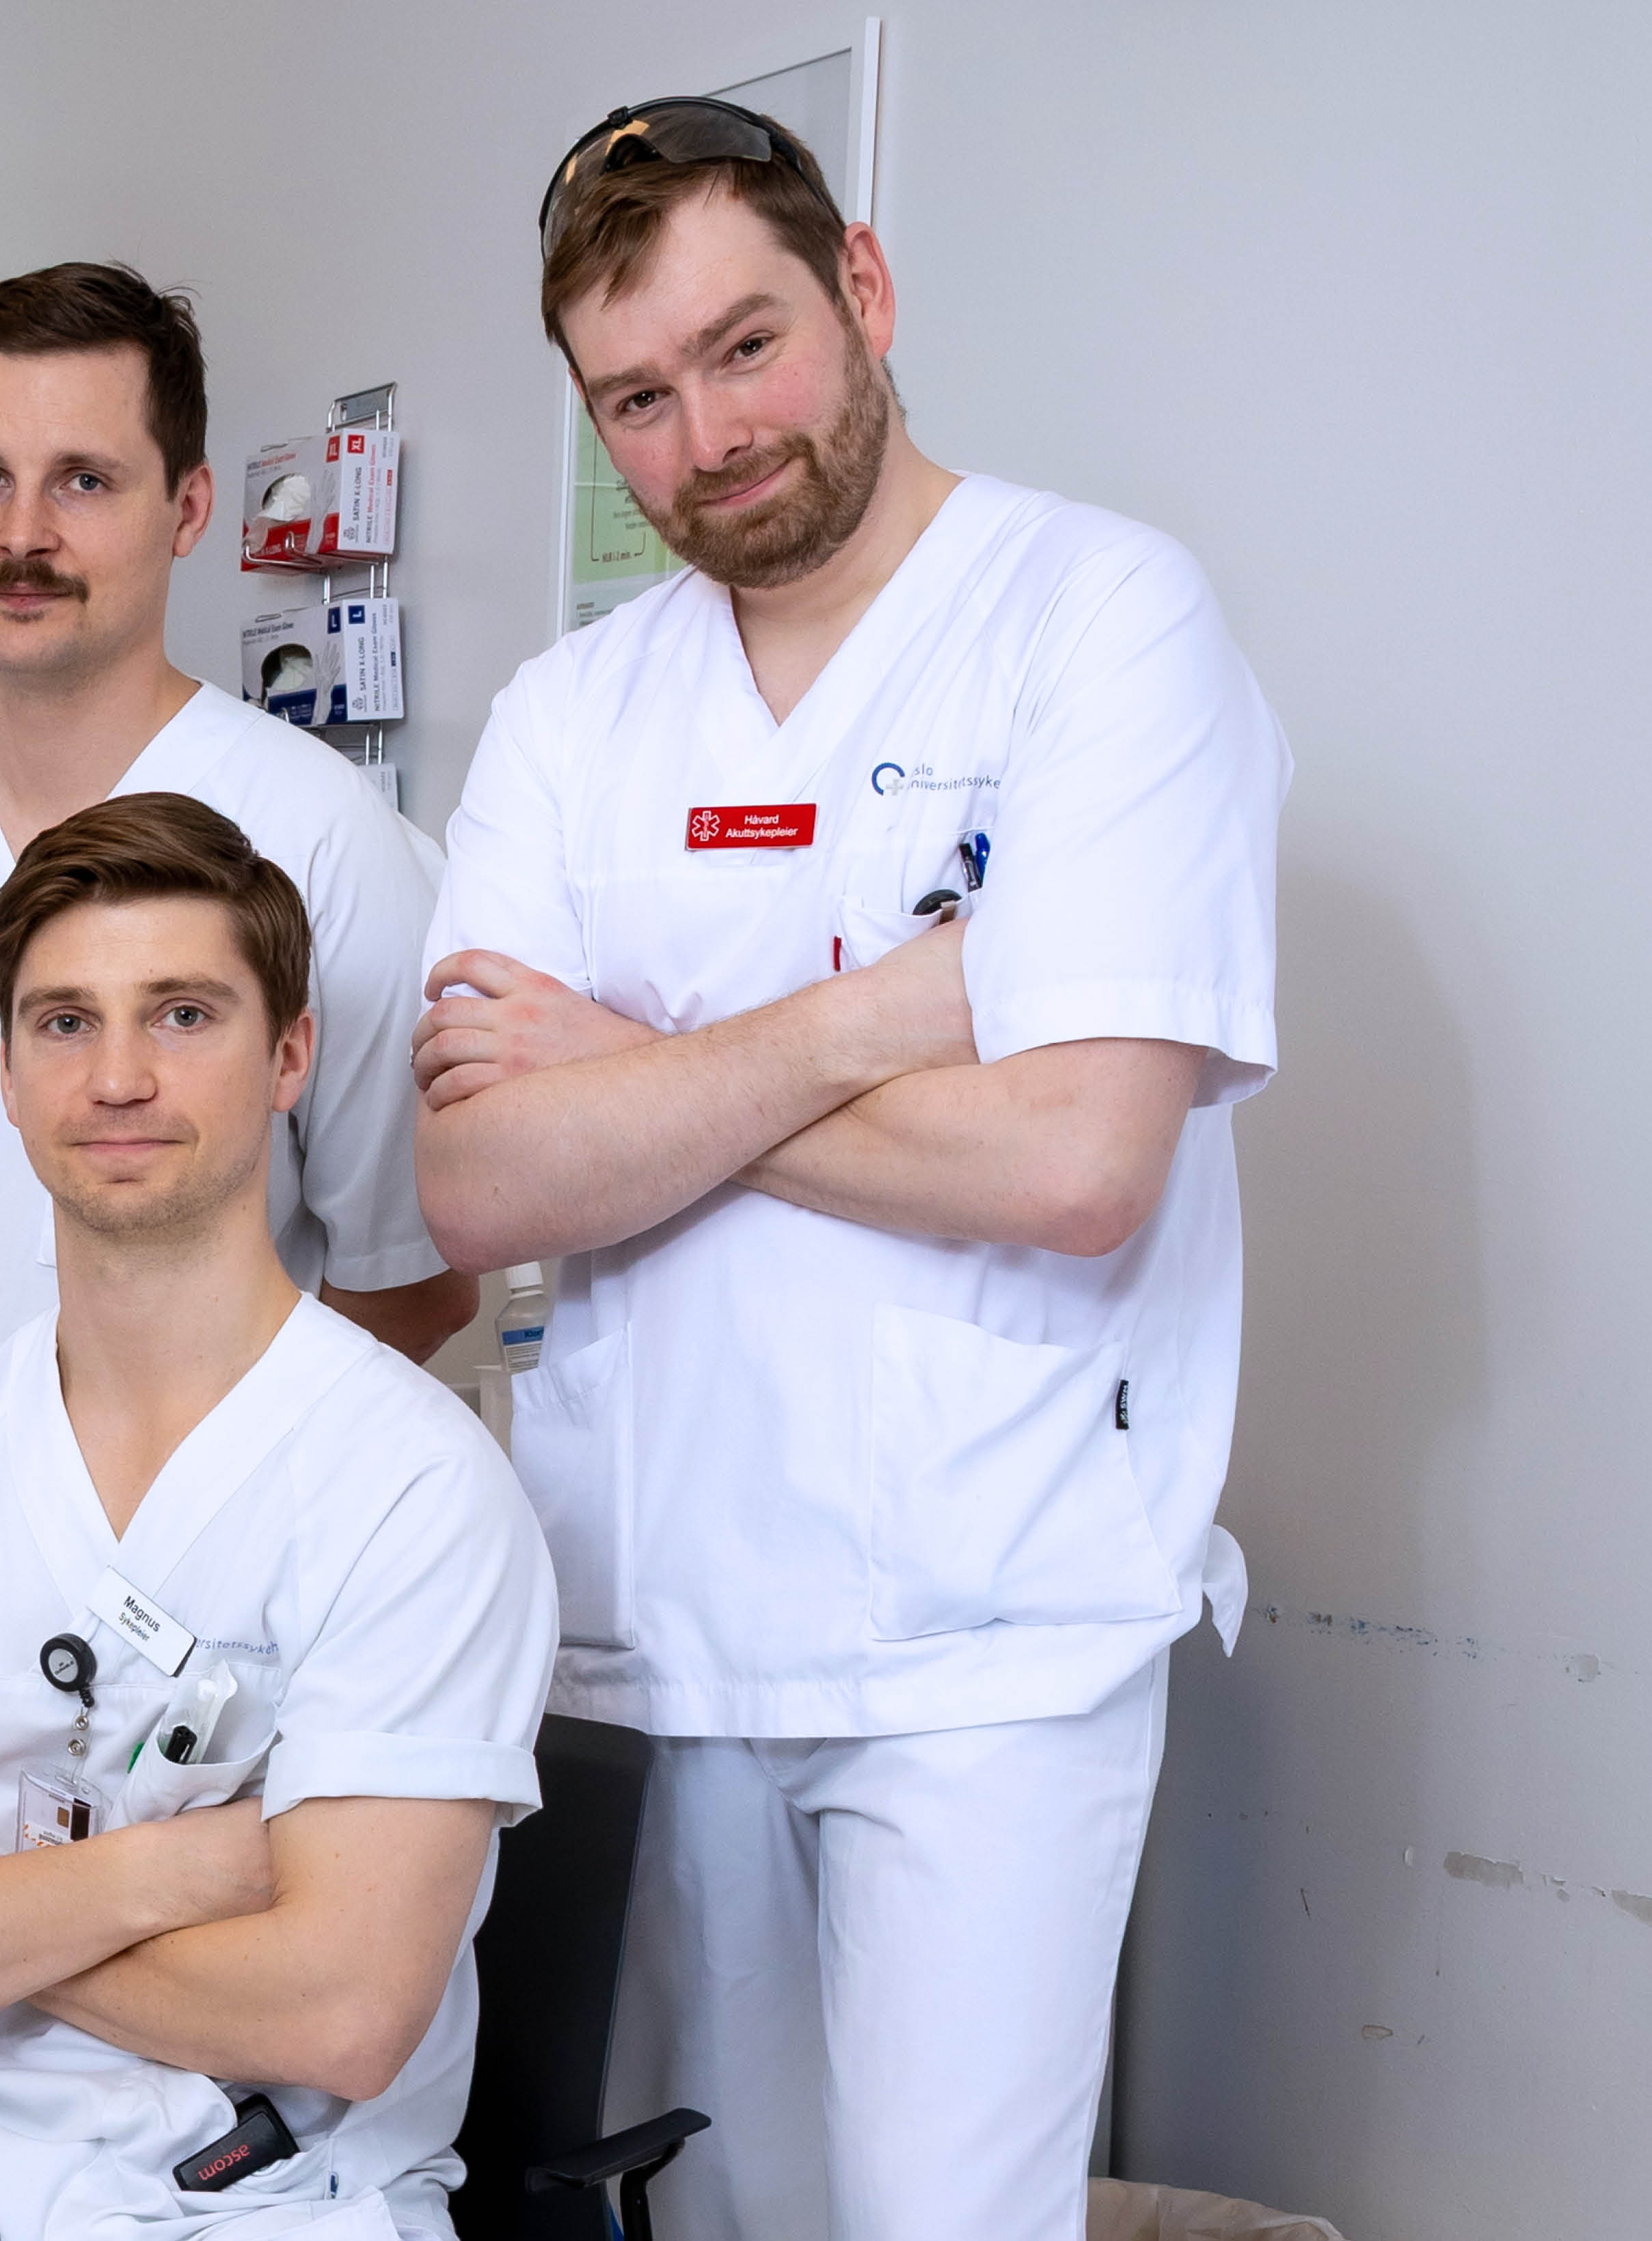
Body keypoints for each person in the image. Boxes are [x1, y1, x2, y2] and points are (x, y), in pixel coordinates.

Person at [411, 100, 1289, 2238]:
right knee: (695, 2223)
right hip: (655, 1634)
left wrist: (637, 1085)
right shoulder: (570, 716)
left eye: (748, 346)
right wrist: (877, 1018)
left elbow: (1077, 1160)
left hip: (989, 1641)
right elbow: (483, 1188)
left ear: (863, 289)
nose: (708, 435)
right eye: (635, 396)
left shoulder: (1098, 621)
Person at [0, 795, 556, 2241]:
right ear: (6, 1074)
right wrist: (169, 1871)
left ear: (290, 1056)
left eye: (183, 1015)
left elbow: (340, 2014)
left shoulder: (413, 1487)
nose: (118, 1076)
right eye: (64, 1023)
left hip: (270, 2196)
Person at [0, 263, 476, 1653]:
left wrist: (214, 1493)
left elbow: (408, 1267)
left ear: (188, 509)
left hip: (196, 1604)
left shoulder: (325, 840)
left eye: (83, 481)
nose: (21, 534)